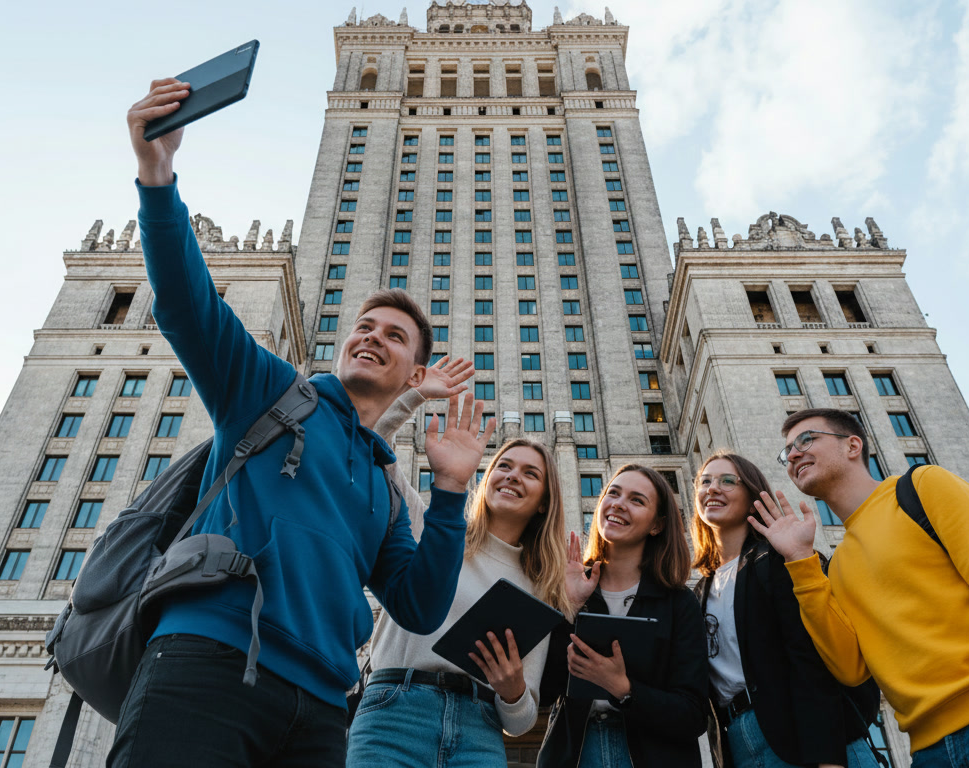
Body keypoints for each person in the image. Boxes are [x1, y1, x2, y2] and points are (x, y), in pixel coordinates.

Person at [111, 79, 493, 768]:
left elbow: (419, 607)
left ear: (415, 375)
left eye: (395, 336)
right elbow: (188, 306)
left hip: (320, 708)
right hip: (209, 661)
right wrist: (157, 176)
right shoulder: (268, 391)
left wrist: (450, 490)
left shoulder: (382, 484)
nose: (372, 337)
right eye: (364, 327)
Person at [752, 408, 969, 768]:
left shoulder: (924, 487)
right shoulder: (839, 563)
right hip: (928, 750)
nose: (793, 455)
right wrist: (801, 561)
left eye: (806, 440)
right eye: (787, 451)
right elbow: (851, 669)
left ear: (852, 446)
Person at [347, 421, 572, 767]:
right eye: (504, 466)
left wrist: (512, 691)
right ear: (488, 478)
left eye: (530, 473)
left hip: (478, 735)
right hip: (394, 718)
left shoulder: (540, 586)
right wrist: (414, 393)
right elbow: (371, 437)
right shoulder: (431, 527)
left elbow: (521, 722)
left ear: (544, 502)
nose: (513, 476)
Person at [690, 450, 880, 768]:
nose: (713, 488)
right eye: (705, 482)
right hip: (740, 742)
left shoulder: (777, 560)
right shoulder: (700, 592)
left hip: (808, 736)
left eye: (727, 481)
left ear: (752, 496)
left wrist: (828, 759)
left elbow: (811, 661)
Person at [538, 465, 708, 768]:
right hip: (578, 754)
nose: (618, 504)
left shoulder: (679, 602)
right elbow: (545, 691)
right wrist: (569, 608)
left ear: (656, 525)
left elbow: (693, 715)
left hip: (654, 755)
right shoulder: (571, 585)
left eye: (636, 500)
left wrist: (624, 689)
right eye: (613, 493)